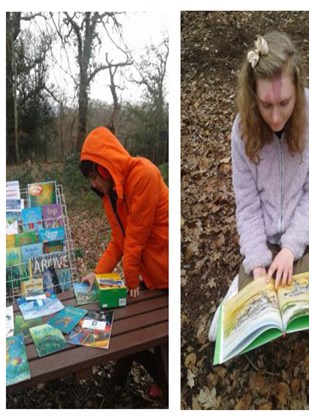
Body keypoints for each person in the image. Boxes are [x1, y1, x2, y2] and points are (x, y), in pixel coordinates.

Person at [208, 31, 309, 342]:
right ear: (253, 96)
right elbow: (248, 204)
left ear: (298, 89)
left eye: (284, 102)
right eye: (266, 105)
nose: (276, 115)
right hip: (266, 243)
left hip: (302, 237)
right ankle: (251, 280)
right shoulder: (242, 129)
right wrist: (257, 264)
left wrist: (290, 250)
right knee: (225, 336)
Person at [79, 126, 169, 399]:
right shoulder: (111, 197)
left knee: (148, 332)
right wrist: (98, 274)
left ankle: (165, 384)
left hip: (167, 274)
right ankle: (130, 383)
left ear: (105, 167)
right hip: (150, 279)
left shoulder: (143, 174)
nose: (93, 183)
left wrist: (131, 282)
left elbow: (136, 240)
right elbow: (119, 242)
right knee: (131, 329)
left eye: (94, 175)